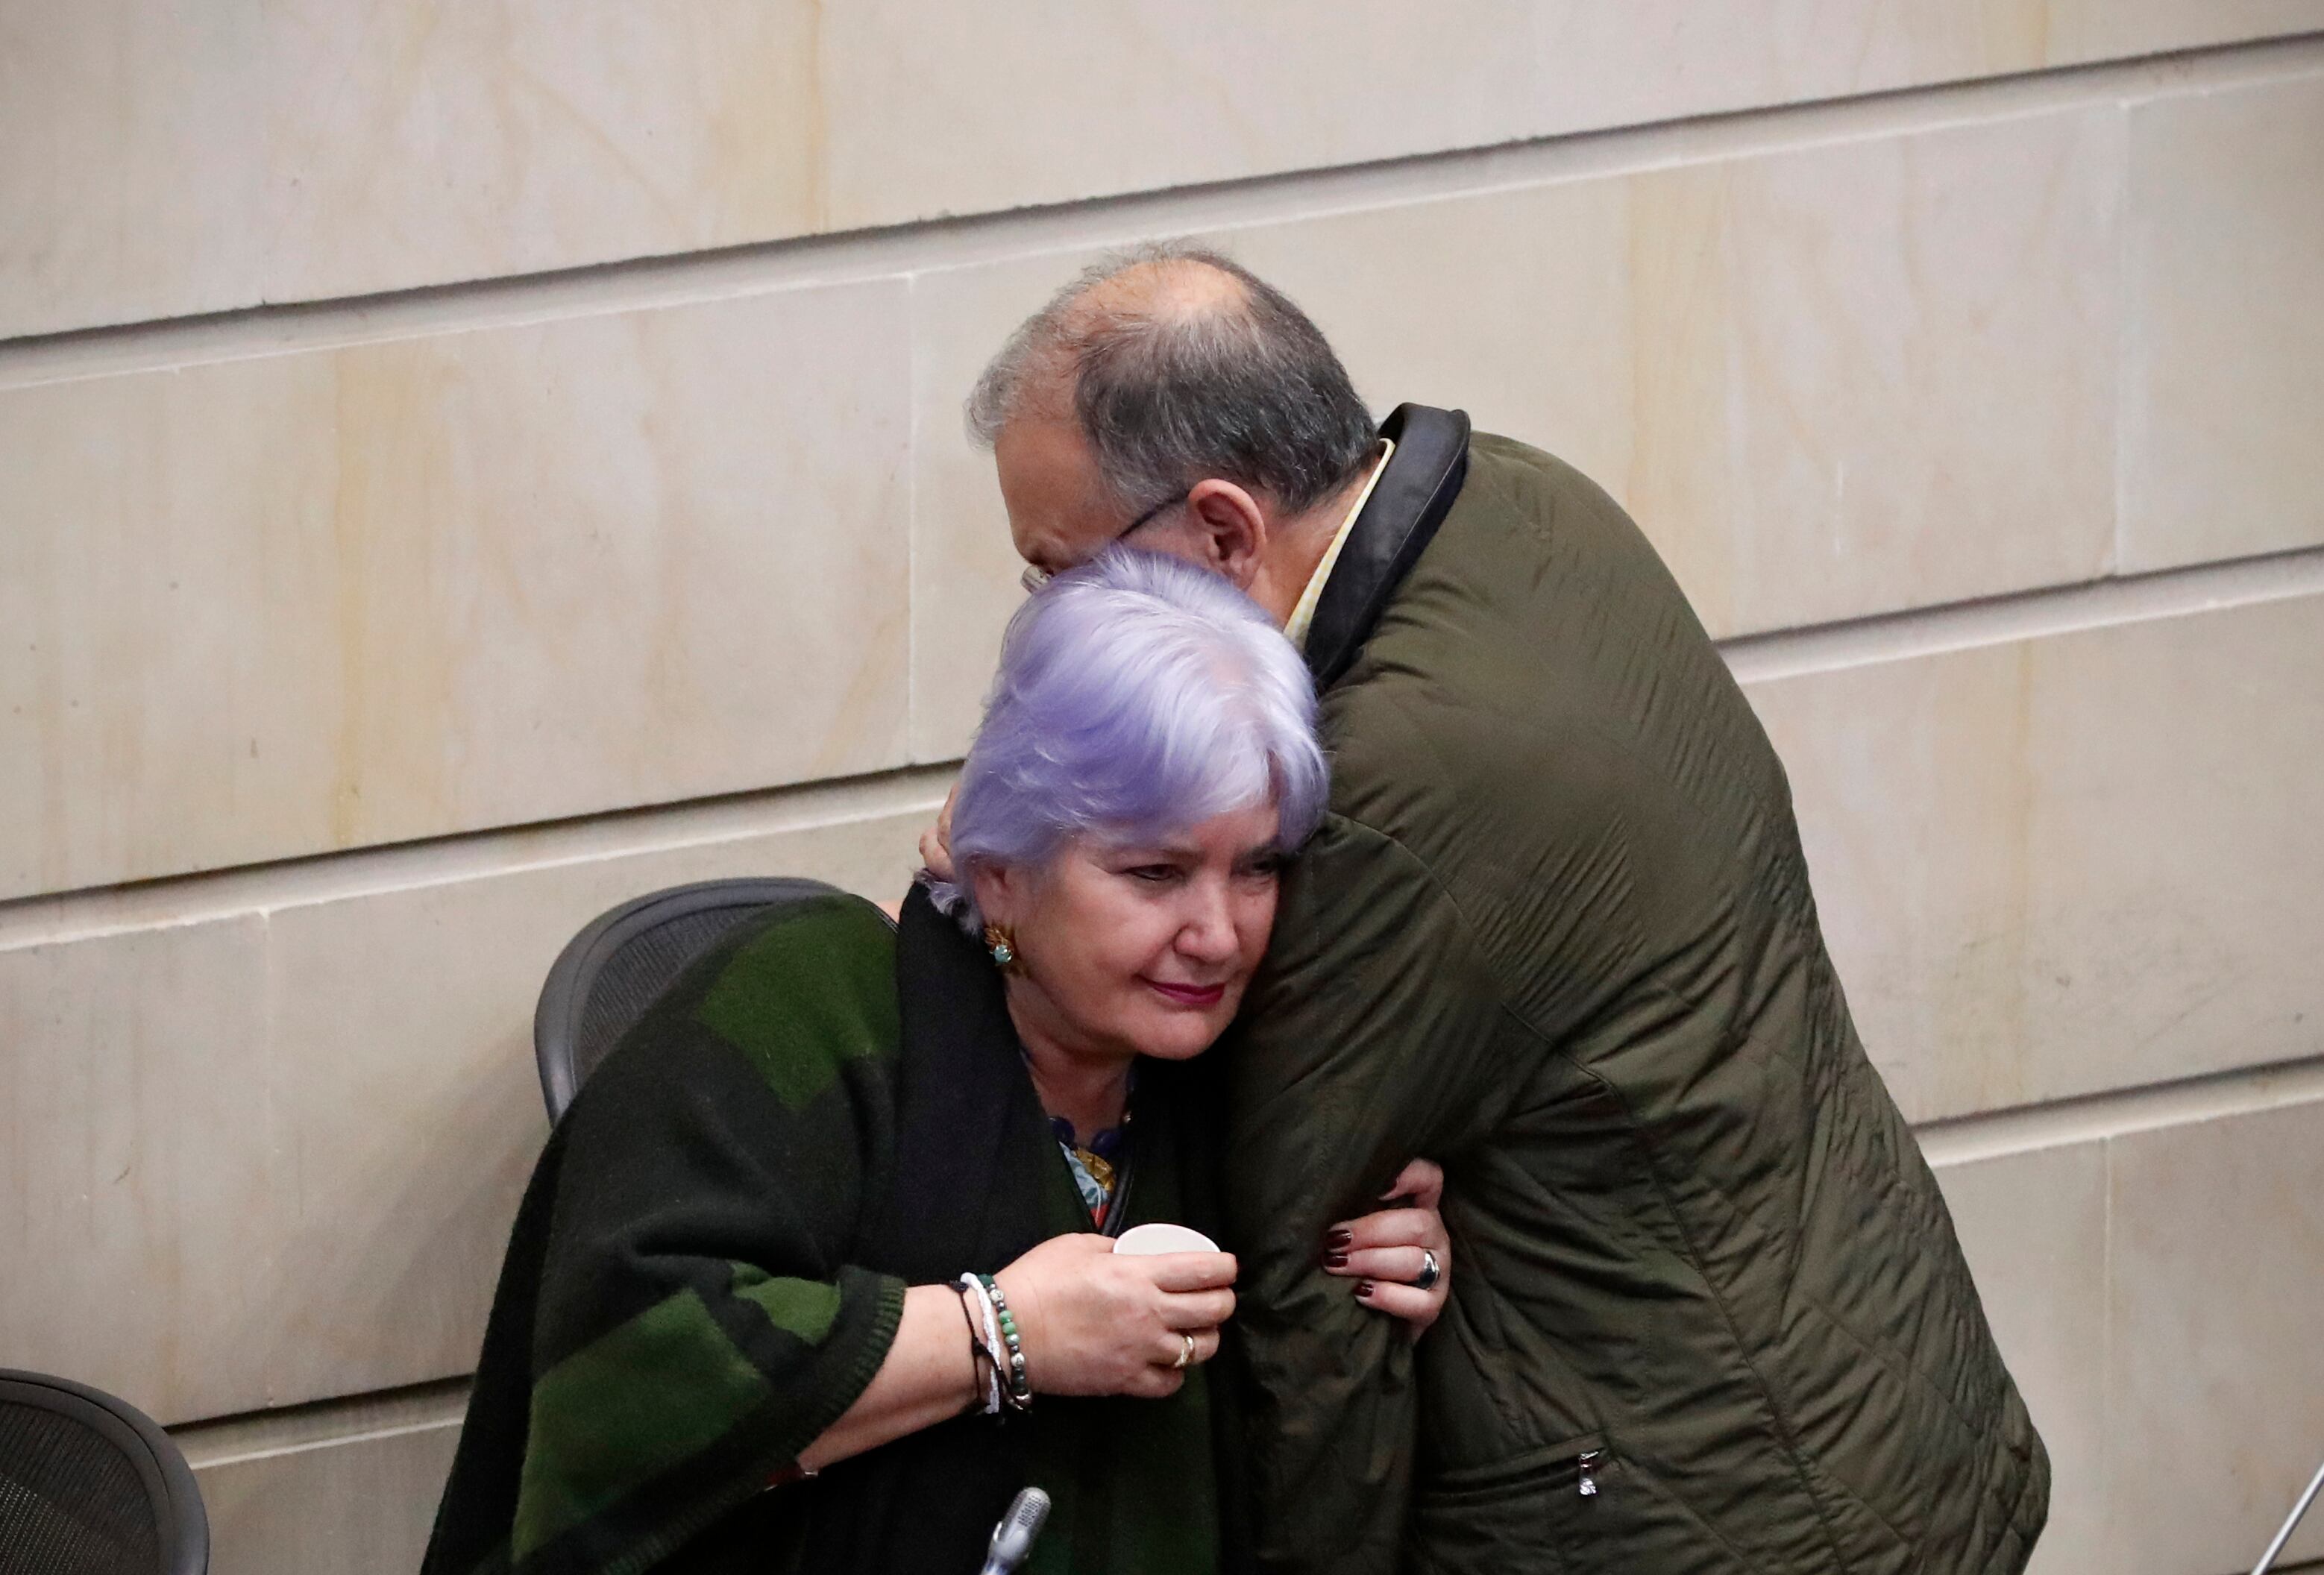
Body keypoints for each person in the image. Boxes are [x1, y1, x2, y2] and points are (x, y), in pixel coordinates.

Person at [940, 244, 2051, 1574]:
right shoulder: (1521, 503)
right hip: (1867, 1387)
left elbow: (1314, 1309)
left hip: (1698, 1503)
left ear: (1227, 532)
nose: (1057, 618)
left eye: (1066, 572)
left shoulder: (1381, 798)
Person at [420, 550, 1454, 1575]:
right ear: (999, 876)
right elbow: (625, 1399)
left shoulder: (1247, 1063)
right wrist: (995, 1333)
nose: (1219, 934)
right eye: (1155, 872)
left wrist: (1367, 1260)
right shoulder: (802, 1005)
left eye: (1259, 868)